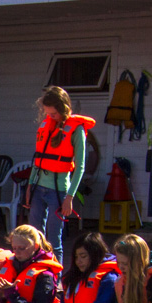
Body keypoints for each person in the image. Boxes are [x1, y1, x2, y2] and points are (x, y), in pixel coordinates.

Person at [26, 86, 94, 257]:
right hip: (37, 189)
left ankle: (55, 274)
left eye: (54, 114)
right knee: (34, 239)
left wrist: (69, 197)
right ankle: (36, 270)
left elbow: (80, 167)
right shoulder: (46, 125)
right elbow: (38, 160)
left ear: (63, 109)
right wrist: (29, 186)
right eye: (48, 113)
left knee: (54, 241)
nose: (50, 117)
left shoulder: (77, 130)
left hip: (58, 192)